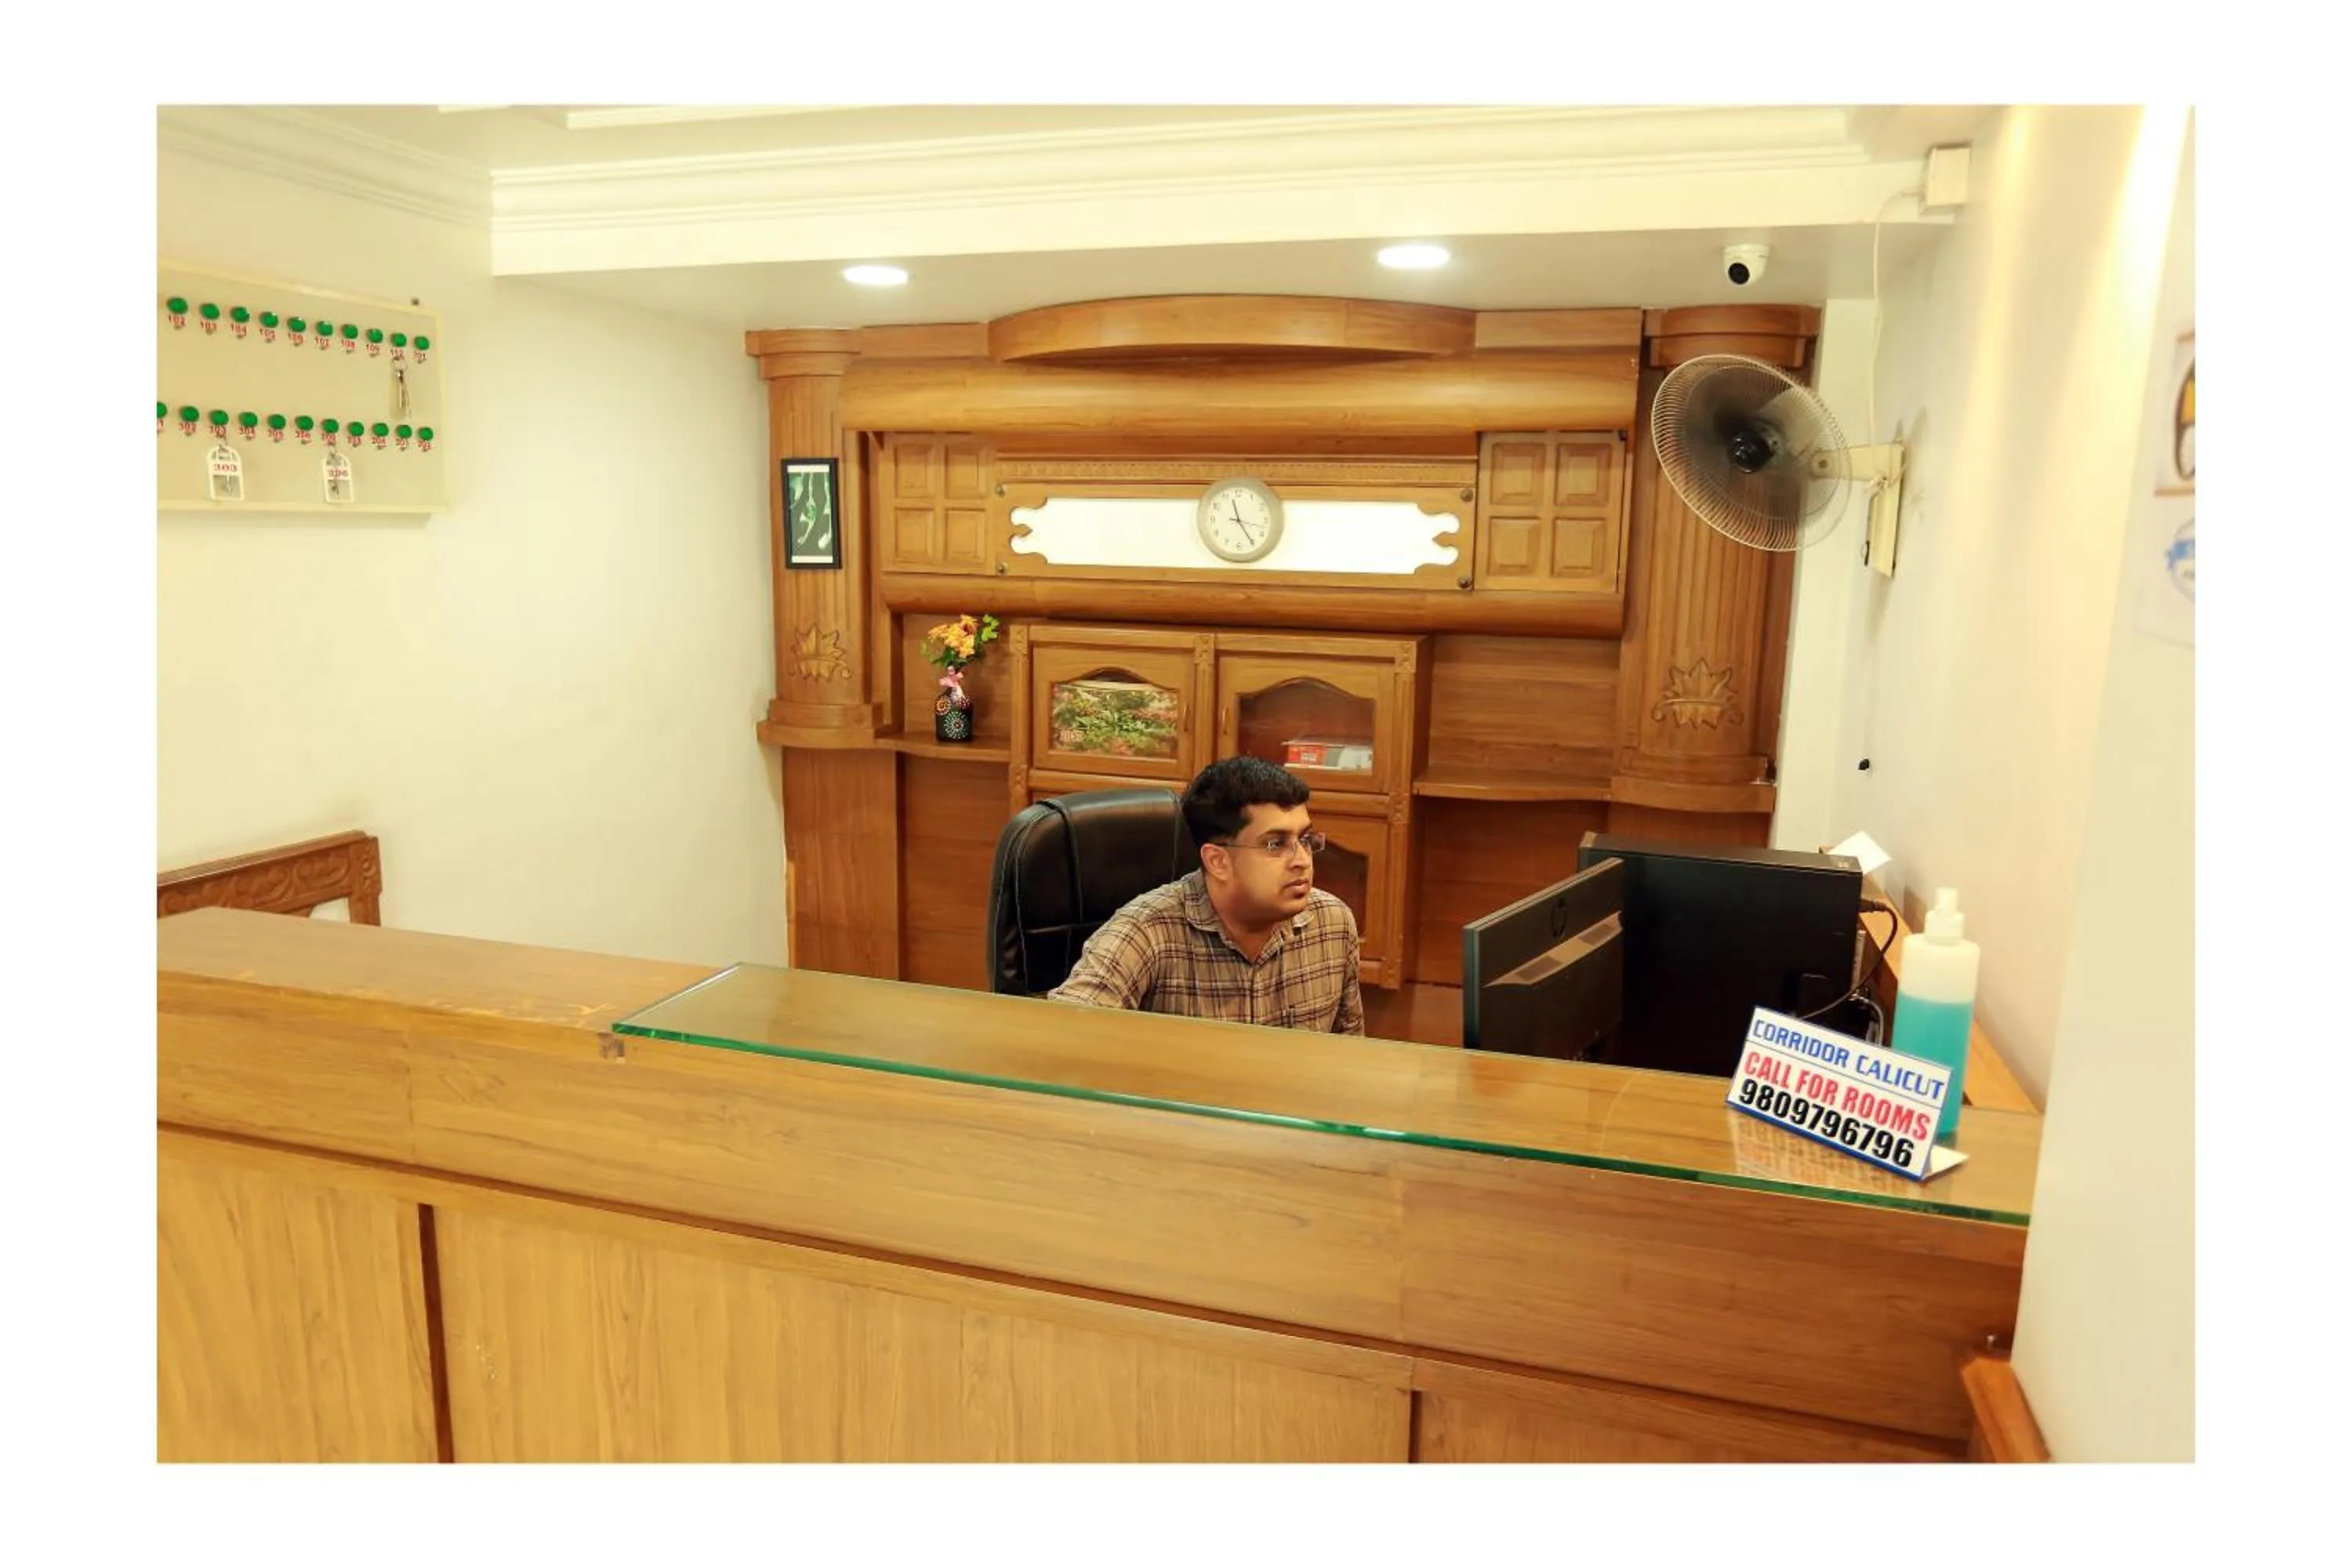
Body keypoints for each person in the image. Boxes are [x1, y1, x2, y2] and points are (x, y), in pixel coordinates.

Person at [1048, 756, 1363, 1034]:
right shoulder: (1145, 933)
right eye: (1274, 845)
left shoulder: (1333, 924)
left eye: (1305, 839)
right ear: (1218, 861)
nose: (1302, 860)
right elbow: (1062, 1036)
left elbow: (1349, 1058)